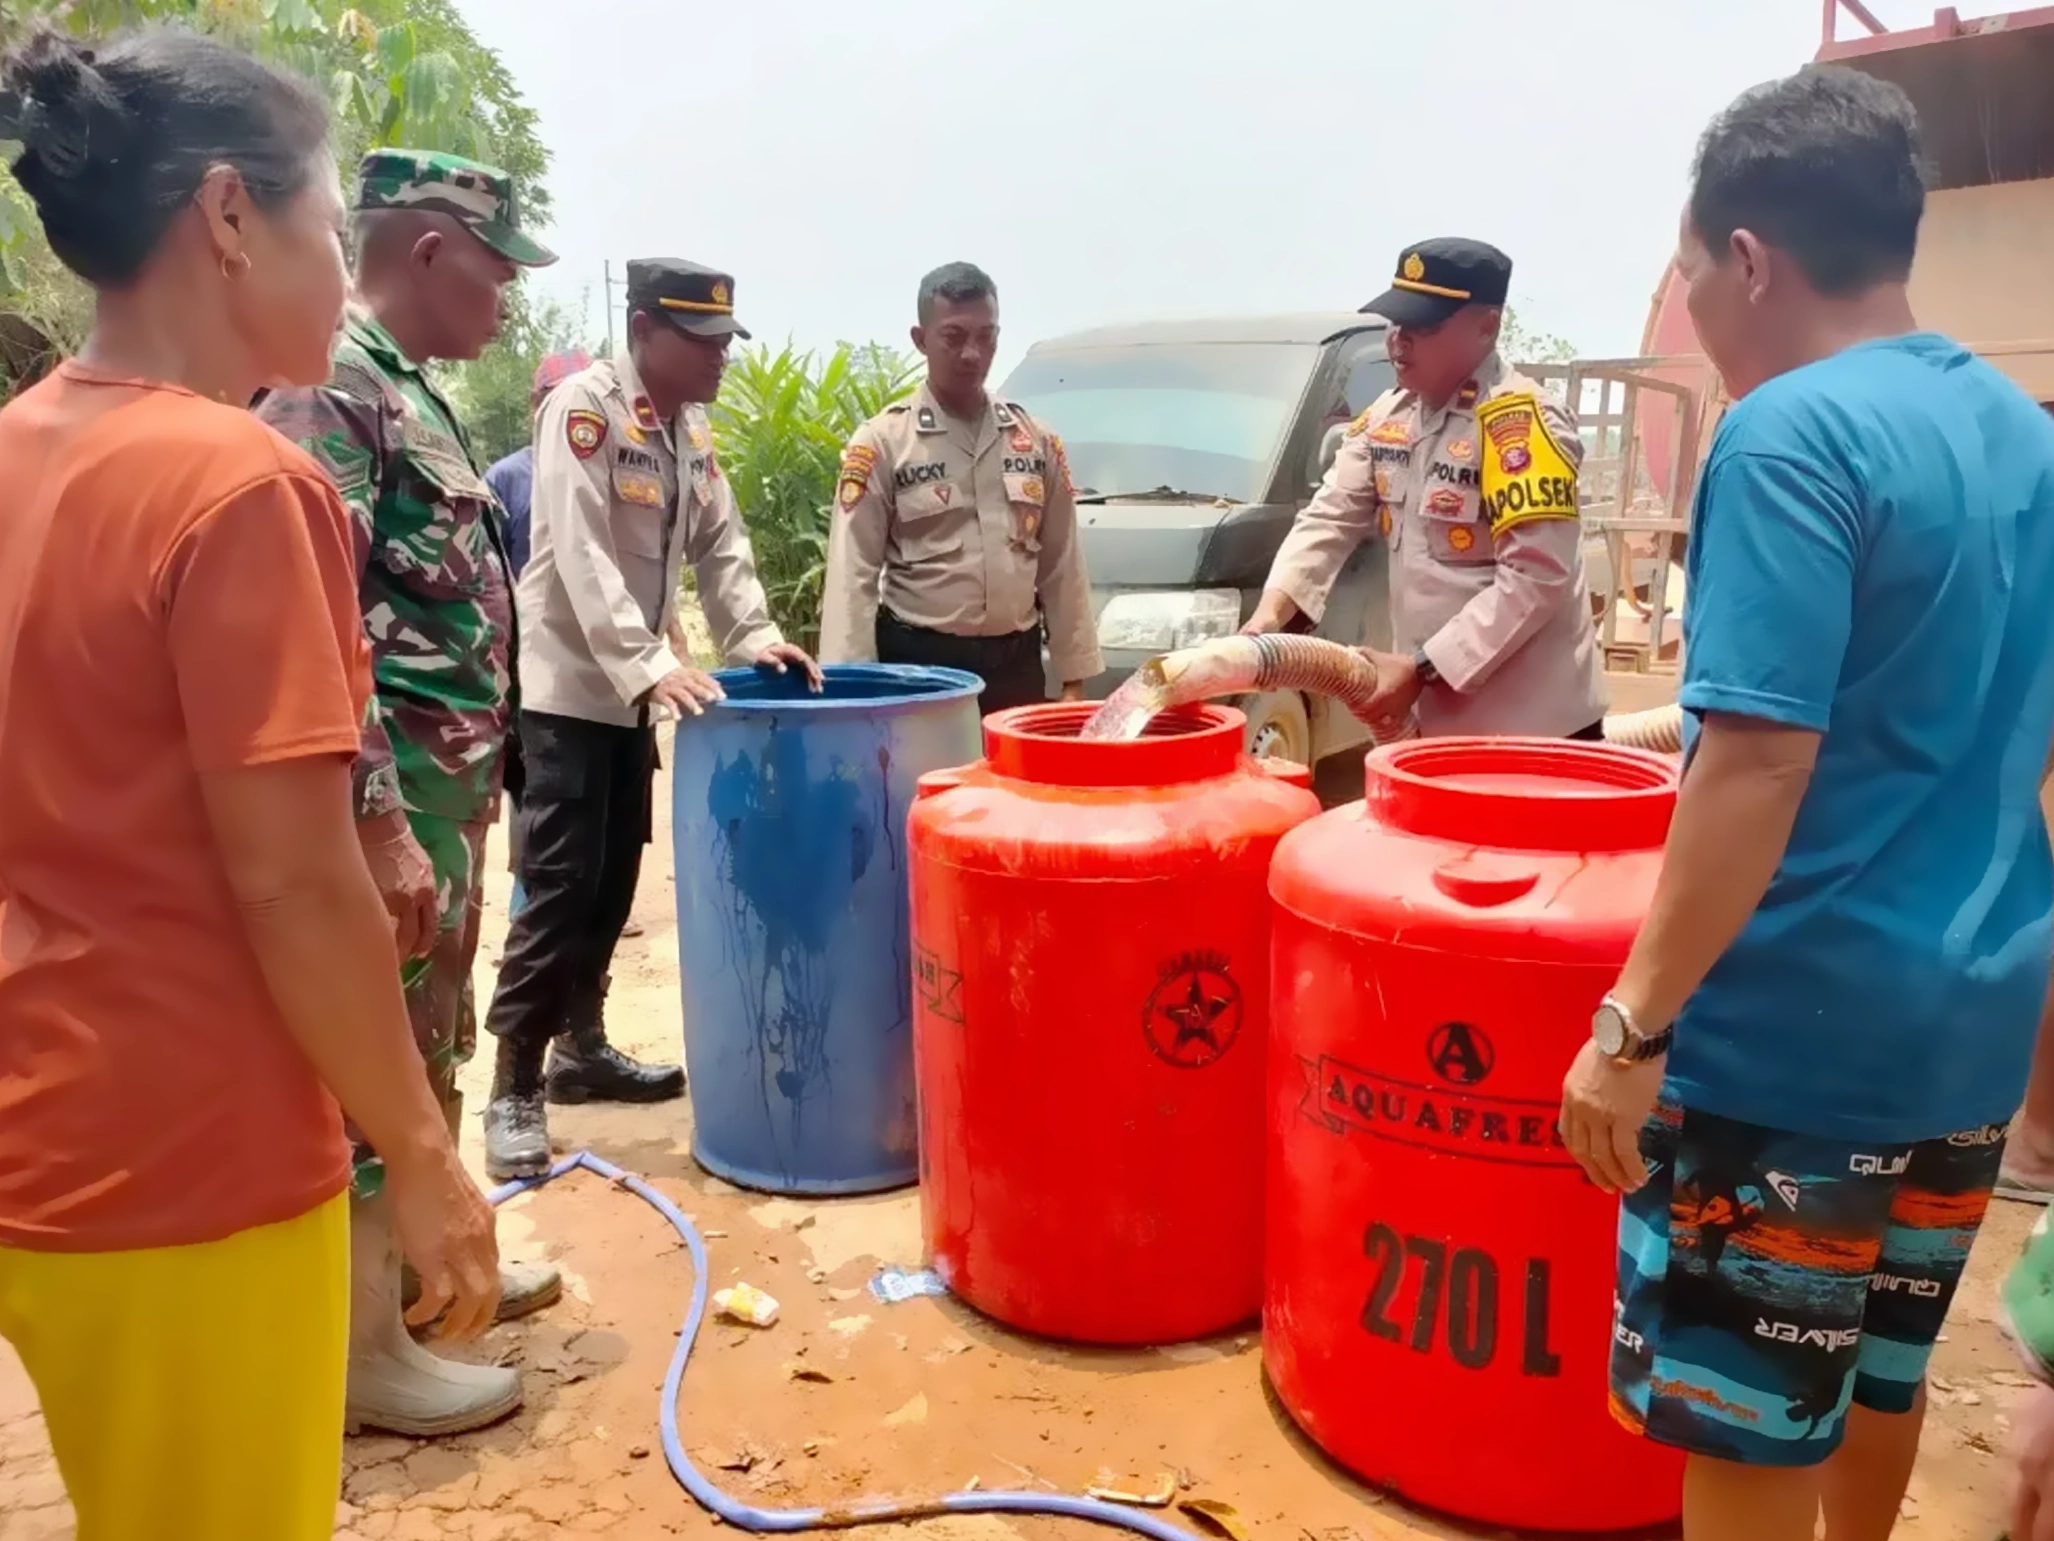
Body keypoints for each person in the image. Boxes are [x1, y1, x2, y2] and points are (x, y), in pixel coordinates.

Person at [0, 27, 497, 1540]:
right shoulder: (240, 485)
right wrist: (420, 1153)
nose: (341, 272)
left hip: (48, 1137)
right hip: (196, 1166)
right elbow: (291, 877)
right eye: (330, 230)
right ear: (228, 218)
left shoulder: (22, 450)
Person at [1555, 67, 2054, 1541]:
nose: (1698, 307)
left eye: (1694, 269)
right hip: (1965, 1029)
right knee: (1875, 1388)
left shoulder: (1787, 437)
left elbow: (1753, 764)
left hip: (1793, 1045)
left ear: (1749, 259)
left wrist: (1632, 1025)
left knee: (1754, 1422)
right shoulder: (2025, 437)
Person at [257, 146, 558, 1437]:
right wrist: (375, 815)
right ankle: (363, 1345)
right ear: (429, 248)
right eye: (495, 268)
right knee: (375, 1054)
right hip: (389, 808)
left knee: (431, 1037)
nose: (503, 296)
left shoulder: (409, 393)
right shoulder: (328, 396)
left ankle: (432, 1275)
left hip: (445, 798)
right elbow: (309, 622)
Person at [481, 259, 819, 1181]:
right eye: (702, 342)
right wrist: (650, 662)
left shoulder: (686, 431)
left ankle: (580, 1049)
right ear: (643, 329)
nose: (719, 359)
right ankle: (513, 1082)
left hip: (638, 690)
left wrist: (753, 636)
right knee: (557, 884)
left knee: (613, 879)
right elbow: (582, 556)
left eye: (724, 342)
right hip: (569, 692)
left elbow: (723, 542)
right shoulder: (584, 413)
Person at [1243, 238, 1606, 738]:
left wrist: (1419, 669)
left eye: (1423, 327)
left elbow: (1535, 578)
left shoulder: (1519, 423)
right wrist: (1269, 615)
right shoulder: (1387, 419)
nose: (1399, 341)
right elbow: (1329, 517)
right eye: (1397, 323)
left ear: (1487, 326)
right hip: (1436, 723)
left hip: (1532, 734)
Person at [818, 262, 1101, 712]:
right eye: (954, 337)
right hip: (919, 671)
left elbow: (1062, 564)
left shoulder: (1035, 441)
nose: (973, 353)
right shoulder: (884, 442)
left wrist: (1073, 678)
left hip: (1016, 668)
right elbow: (852, 574)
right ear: (920, 339)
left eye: (986, 337)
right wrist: (852, 689)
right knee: (926, 783)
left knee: (1013, 785)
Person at [487, 349, 650, 937]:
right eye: (549, 395)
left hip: (619, 665)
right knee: (542, 808)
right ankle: (526, 911)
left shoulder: (622, 463)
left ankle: (583, 992)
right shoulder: (507, 477)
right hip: (543, 659)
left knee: (610, 826)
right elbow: (493, 571)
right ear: (539, 404)